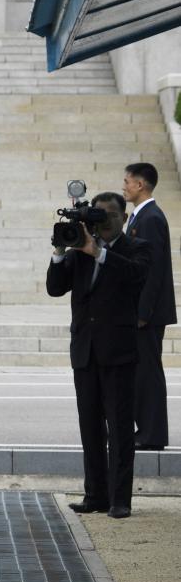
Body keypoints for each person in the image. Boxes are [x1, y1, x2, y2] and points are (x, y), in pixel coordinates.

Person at [47, 192, 150, 519]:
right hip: (85, 351)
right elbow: (55, 288)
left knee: (120, 430)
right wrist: (61, 252)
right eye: (97, 215)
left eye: (108, 215)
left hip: (118, 352)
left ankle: (120, 499)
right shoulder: (80, 248)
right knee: (89, 427)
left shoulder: (137, 247)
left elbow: (136, 277)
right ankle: (95, 494)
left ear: (123, 217)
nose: (102, 220)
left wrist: (100, 253)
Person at [123, 162, 173, 450]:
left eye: (127, 181)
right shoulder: (139, 216)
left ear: (140, 185)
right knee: (141, 373)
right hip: (143, 311)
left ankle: (152, 435)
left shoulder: (151, 218)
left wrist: (143, 312)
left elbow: (153, 270)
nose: (124, 186)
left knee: (149, 374)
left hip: (148, 314)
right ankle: (144, 430)